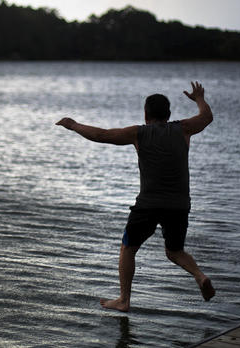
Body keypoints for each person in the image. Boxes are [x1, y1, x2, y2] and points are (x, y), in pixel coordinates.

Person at [56, 81, 215, 312]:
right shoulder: (183, 129)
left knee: (128, 248)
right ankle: (200, 276)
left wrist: (73, 125)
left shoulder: (138, 133)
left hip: (148, 205)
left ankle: (124, 300)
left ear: (145, 114)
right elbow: (206, 117)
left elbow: (102, 135)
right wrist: (199, 98)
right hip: (179, 204)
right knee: (174, 251)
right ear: (168, 114)